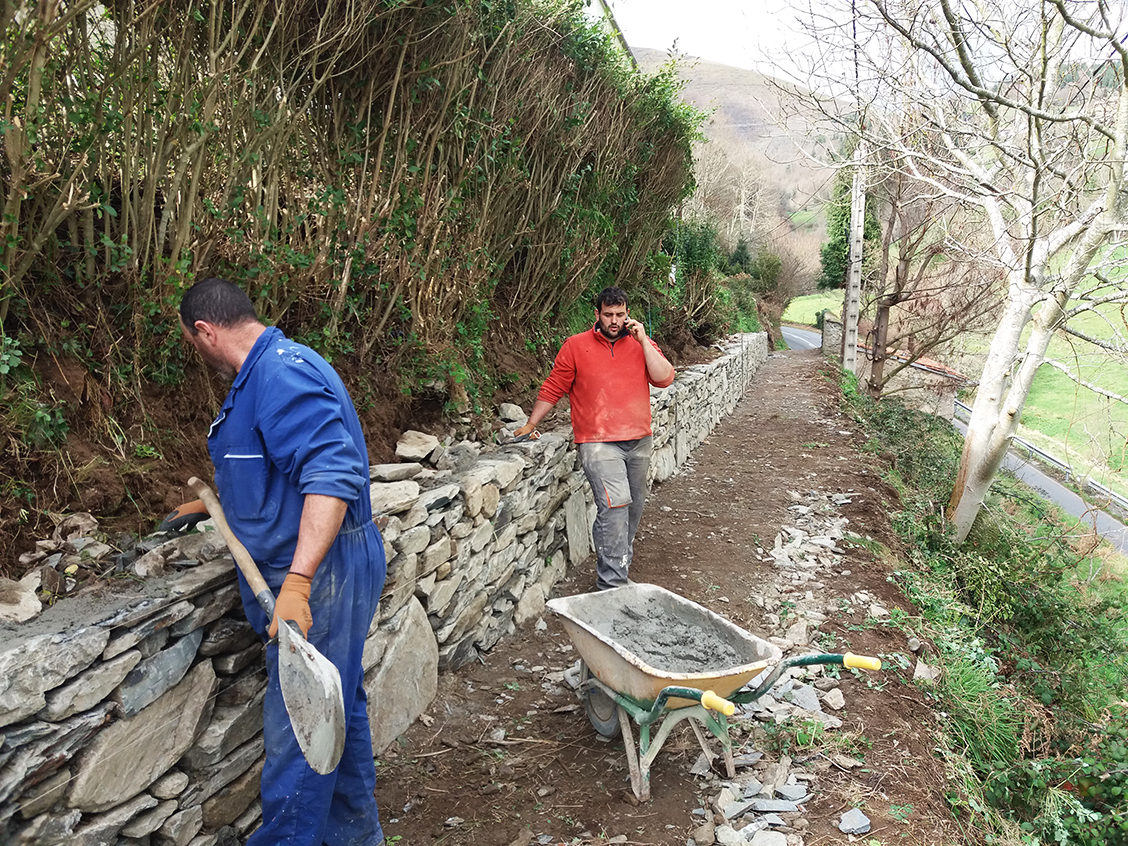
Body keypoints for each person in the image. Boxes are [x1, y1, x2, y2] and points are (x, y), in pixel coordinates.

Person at [178, 277, 386, 846]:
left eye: (193, 344)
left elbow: (331, 475)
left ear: (205, 331)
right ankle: (354, 836)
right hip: (320, 566)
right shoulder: (261, 375)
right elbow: (274, 464)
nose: (197, 354)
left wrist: (297, 583)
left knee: (301, 724)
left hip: (324, 572)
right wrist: (223, 503)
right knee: (334, 701)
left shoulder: (282, 374)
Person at [513, 286, 675, 590]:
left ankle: (618, 562)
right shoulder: (575, 346)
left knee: (633, 507)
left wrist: (643, 342)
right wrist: (531, 422)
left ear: (628, 314)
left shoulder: (642, 343)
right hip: (597, 442)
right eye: (608, 314)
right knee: (614, 505)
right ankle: (612, 586)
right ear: (596, 314)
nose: (614, 320)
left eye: (620, 314)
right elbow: (553, 387)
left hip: (639, 439)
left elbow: (665, 378)